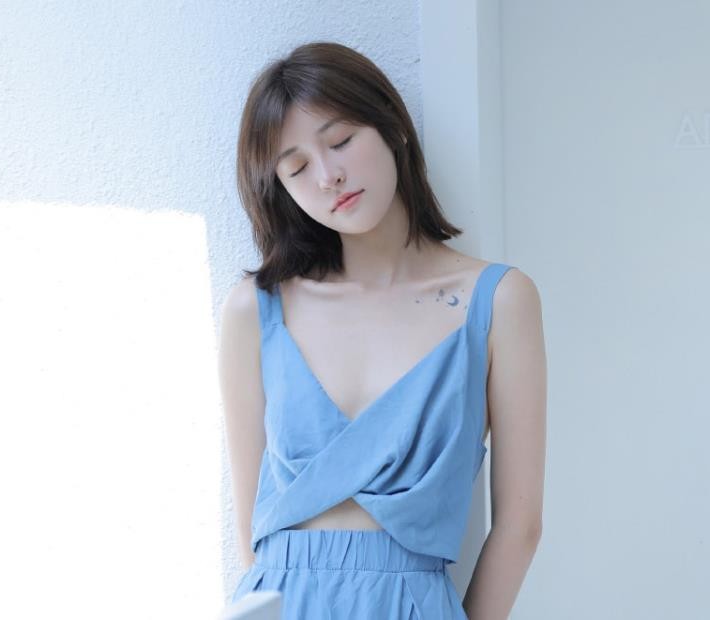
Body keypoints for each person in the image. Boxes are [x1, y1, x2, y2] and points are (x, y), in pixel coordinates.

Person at [219, 40, 546, 619]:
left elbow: (519, 525)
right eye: (297, 167)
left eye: (341, 140)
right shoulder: (256, 309)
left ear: (392, 126)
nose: (329, 176)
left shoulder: (499, 300)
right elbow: (251, 534)